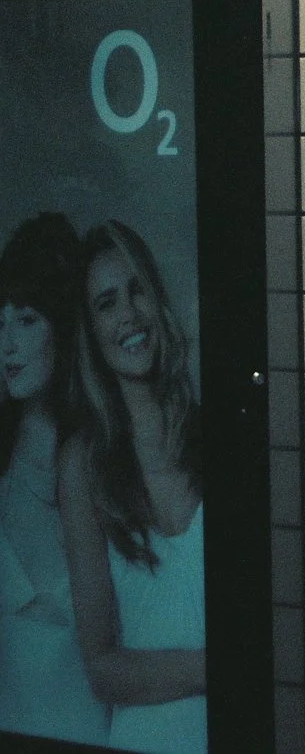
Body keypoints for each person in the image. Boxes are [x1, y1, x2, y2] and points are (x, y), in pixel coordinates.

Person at [59, 220, 205, 753]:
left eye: (136, 289)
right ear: (92, 333)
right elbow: (102, 668)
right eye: (106, 303)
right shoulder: (83, 465)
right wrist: (213, 667)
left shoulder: (216, 438)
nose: (128, 315)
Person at [0, 211, 111, 745]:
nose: (7, 345)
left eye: (26, 319)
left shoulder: (96, 460)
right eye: (0, 322)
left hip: (88, 729)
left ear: (61, 327)